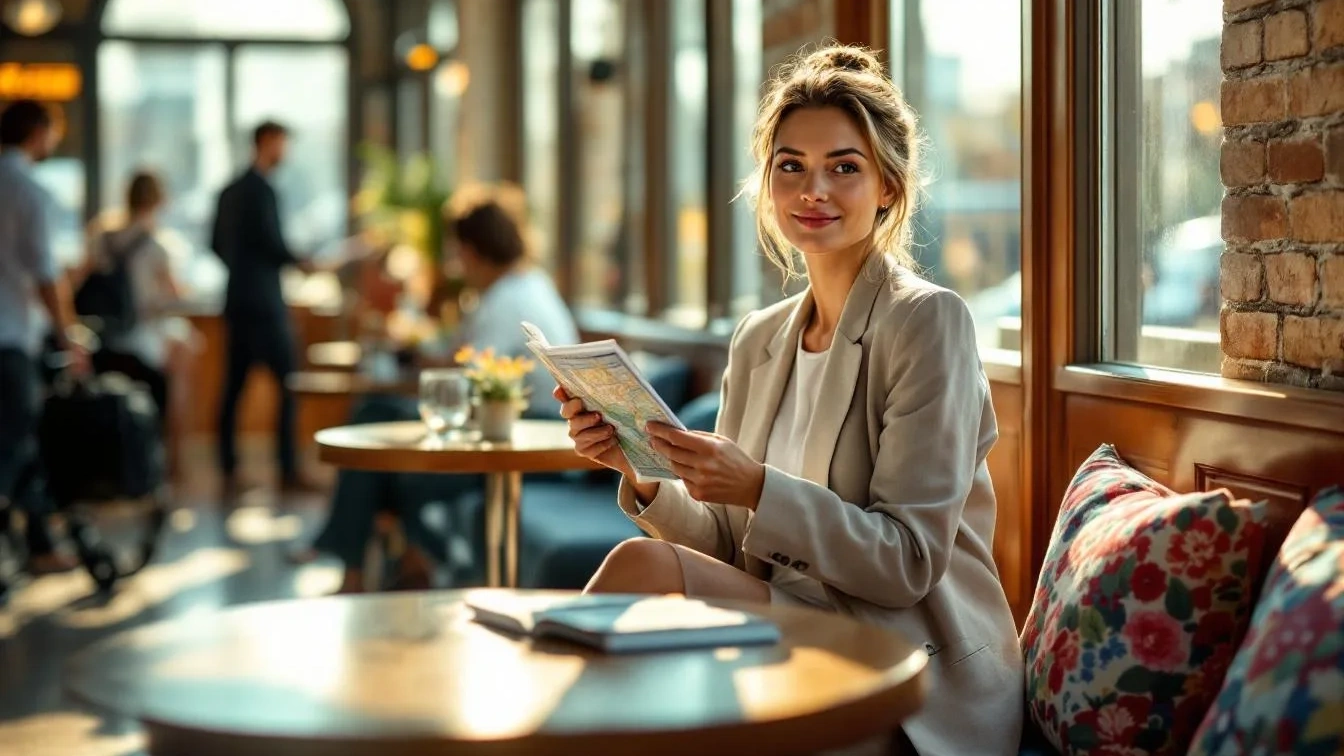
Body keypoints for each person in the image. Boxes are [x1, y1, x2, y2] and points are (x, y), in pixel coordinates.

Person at [556, 46, 1023, 755]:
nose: (814, 191)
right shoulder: (761, 338)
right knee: (639, 604)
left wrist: (756, 486)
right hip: (780, 623)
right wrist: (640, 472)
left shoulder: (928, 322)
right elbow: (730, 548)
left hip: (903, 664)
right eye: (791, 167)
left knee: (641, 577)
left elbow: (905, 564)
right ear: (768, 186)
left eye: (844, 167)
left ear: (889, 187)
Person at [304, 182, 578, 593]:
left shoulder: (507, 300)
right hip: (506, 430)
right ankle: (388, 564)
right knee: (377, 419)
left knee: (382, 442)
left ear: (469, 250)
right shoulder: (524, 287)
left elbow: (463, 376)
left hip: (528, 439)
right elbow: (464, 364)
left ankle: (368, 567)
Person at [0, 99, 88, 574]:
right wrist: (69, 336)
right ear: (36, 132)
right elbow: (46, 276)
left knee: (26, 443)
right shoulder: (28, 190)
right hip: (11, 337)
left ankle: (39, 547)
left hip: (13, 335)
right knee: (16, 443)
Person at [210, 120, 312, 493]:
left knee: (234, 388)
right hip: (264, 305)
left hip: (237, 300)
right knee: (288, 385)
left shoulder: (228, 191)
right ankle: (287, 469)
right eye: (281, 144)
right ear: (266, 142)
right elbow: (274, 245)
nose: (284, 152)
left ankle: (228, 468)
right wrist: (298, 262)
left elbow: (215, 245)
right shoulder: (262, 192)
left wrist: (242, 273)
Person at [78, 170, 194, 430]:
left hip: (103, 334)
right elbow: (175, 297)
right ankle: (173, 452)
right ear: (159, 200)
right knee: (186, 351)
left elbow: (78, 282)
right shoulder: (158, 247)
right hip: (141, 333)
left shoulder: (102, 237)